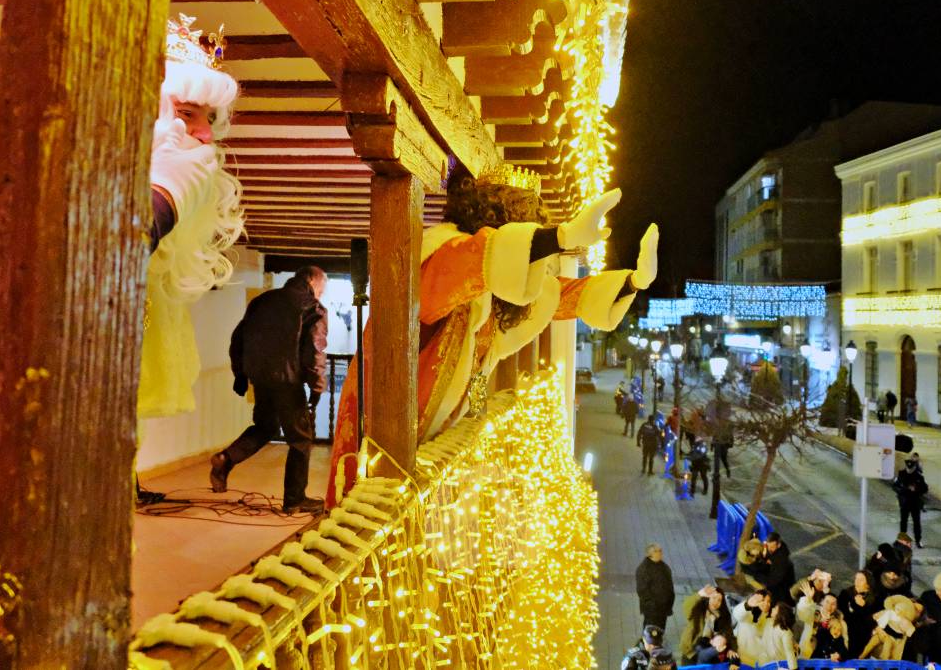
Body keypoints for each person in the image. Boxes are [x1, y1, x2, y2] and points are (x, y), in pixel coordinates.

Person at [0, 15, 242, 665]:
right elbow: (51, 258)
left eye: (207, 123)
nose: (201, 137)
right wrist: (162, 195)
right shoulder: (3, 132)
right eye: (187, 114)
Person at [325, 165, 660, 505]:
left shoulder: (491, 286)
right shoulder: (442, 253)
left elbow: (558, 295)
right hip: (386, 443)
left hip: (439, 446)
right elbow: (466, 266)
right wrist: (557, 238)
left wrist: (633, 282)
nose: (538, 248)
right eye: (529, 228)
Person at [210, 267, 328, 512]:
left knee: (265, 427)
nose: (322, 293)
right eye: (322, 288)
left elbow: (238, 339)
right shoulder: (312, 308)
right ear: (312, 281)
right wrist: (317, 387)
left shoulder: (261, 301)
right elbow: (315, 351)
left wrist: (240, 373)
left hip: (260, 378)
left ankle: (226, 458)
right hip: (288, 381)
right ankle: (295, 500)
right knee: (300, 440)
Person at [678, 585, 733, 663]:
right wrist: (699, 595)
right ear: (708, 598)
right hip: (690, 650)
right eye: (714, 598)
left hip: (708, 652)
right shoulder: (699, 609)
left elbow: (729, 635)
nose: (716, 602)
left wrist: (731, 649)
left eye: (719, 600)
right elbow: (686, 607)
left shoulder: (723, 617)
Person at [744, 532, 796, 606]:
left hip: (782, 588)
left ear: (779, 545)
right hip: (778, 583)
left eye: (772, 547)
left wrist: (756, 575)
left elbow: (773, 581)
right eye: (768, 546)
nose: (769, 549)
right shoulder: (774, 551)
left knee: (781, 603)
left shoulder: (782, 561)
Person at [860, 594, 919, 660]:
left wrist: (910, 630)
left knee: (887, 648)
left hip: (884, 661)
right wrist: (877, 628)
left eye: (917, 610)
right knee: (869, 646)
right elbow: (870, 619)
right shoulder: (888, 612)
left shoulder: (910, 633)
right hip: (872, 647)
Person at [839, 570, 881, 658]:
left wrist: (863, 607)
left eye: (861, 580)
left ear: (868, 584)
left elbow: (872, 621)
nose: (856, 582)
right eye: (856, 579)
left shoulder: (876, 598)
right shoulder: (846, 594)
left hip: (866, 635)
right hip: (848, 632)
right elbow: (844, 615)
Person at [636, 543, 675, 631]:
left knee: (661, 627)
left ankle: (658, 640)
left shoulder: (662, 566)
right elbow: (642, 590)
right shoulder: (644, 569)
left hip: (664, 606)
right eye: (658, 551)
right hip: (653, 609)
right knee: (651, 628)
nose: (661, 553)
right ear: (651, 554)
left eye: (661, 550)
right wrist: (652, 605)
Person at [893, 455, 928, 548]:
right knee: (903, 522)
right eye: (908, 468)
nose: (909, 470)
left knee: (917, 522)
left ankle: (918, 540)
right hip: (904, 502)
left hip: (915, 503)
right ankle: (902, 540)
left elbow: (925, 489)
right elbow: (895, 486)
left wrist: (916, 489)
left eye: (911, 468)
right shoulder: (901, 474)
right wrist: (904, 490)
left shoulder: (919, 476)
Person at [731, 590, 771, 667]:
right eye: (763, 600)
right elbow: (737, 614)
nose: (766, 603)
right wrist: (748, 605)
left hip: (761, 660)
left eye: (768, 601)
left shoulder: (769, 618)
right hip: (744, 657)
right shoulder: (746, 614)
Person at [758, 601, 798, 670]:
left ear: (780, 614)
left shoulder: (785, 631)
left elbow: (789, 652)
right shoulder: (769, 623)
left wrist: (794, 668)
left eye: (775, 608)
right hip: (768, 664)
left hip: (781, 665)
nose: (772, 609)